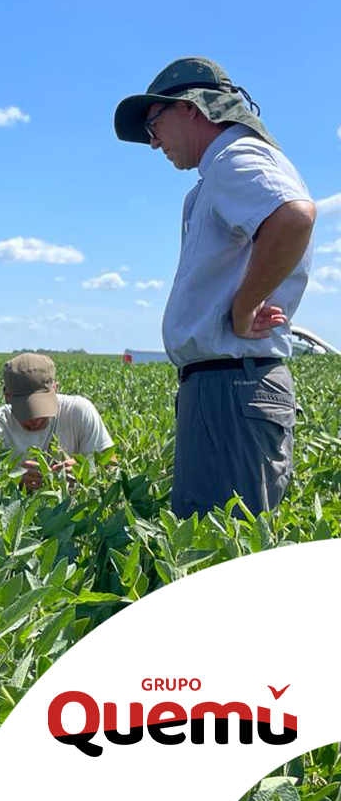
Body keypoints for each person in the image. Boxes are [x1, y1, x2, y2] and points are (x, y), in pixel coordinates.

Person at [114, 57, 316, 518]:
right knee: (207, 540)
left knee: (225, 553)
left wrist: (244, 309)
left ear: (192, 108)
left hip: (232, 384)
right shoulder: (220, 171)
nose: (152, 142)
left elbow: (294, 216)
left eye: (153, 123)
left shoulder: (235, 159)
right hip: (223, 386)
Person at [0, 353, 114, 490]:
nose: (34, 418)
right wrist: (14, 481)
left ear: (56, 389)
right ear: (7, 397)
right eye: (25, 409)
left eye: (41, 407)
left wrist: (86, 468)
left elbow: (112, 464)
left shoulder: (77, 411)